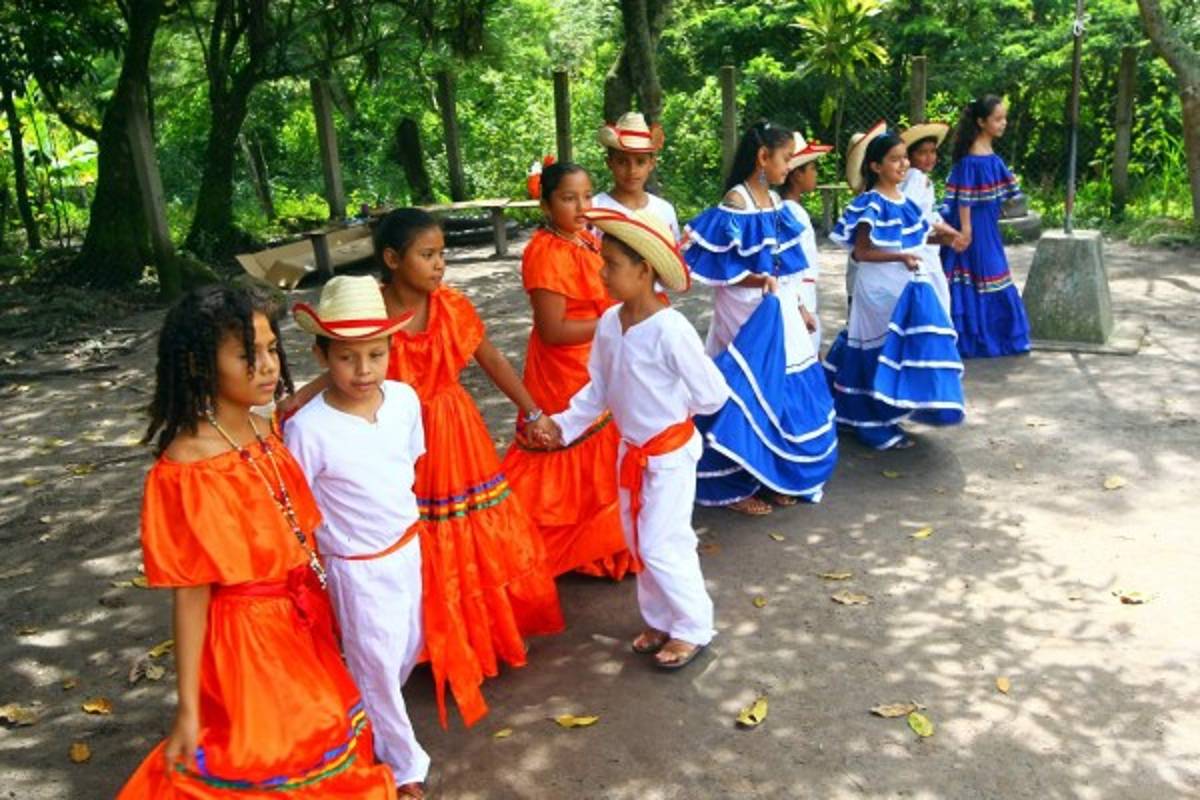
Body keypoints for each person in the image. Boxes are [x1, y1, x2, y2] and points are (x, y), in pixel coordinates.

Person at [287, 210, 564, 729]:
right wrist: (297, 400)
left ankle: (477, 638)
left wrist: (532, 410)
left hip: (454, 436)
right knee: (410, 539)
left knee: (470, 540)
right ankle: (417, 643)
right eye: (427, 255)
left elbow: (494, 360)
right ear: (392, 260)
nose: (440, 265)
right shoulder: (369, 312)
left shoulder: (453, 308)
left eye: (442, 254)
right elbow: (342, 371)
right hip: (392, 441)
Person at [117, 286, 396, 798]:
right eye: (248, 355)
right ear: (201, 366)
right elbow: (191, 592)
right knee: (273, 754)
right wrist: (188, 708)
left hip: (296, 620)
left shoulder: (261, 425)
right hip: (246, 643)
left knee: (326, 729)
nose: (267, 366)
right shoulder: (189, 467)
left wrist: (346, 361)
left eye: (272, 350)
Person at [539, 208, 729, 669]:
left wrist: (672, 418)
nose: (602, 273)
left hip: (667, 455)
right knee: (640, 539)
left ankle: (693, 625)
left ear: (644, 271)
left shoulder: (671, 329)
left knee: (665, 543)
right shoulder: (608, 323)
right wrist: (561, 424)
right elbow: (599, 389)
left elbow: (711, 394)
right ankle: (661, 617)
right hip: (632, 454)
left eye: (612, 265)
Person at [284, 276, 429, 798]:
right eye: (348, 358)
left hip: (408, 550)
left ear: (392, 349)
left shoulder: (406, 401)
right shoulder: (308, 428)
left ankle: (364, 720)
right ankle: (404, 764)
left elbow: (409, 462)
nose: (363, 370)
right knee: (375, 669)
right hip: (355, 566)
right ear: (322, 354)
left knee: (405, 650)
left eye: (375, 354)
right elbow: (298, 510)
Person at [683, 121, 838, 516]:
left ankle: (771, 476)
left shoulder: (772, 202)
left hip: (775, 304)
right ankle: (731, 487)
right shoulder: (736, 202)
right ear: (763, 157)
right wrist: (762, 279)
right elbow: (722, 268)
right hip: (745, 308)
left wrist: (799, 304)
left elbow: (784, 265)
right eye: (785, 158)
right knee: (747, 390)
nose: (789, 166)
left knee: (780, 388)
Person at [501, 163, 633, 578]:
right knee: (564, 449)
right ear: (545, 203)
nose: (581, 206)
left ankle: (601, 547)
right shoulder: (545, 252)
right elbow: (554, 330)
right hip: (563, 371)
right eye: (568, 197)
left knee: (603, 456)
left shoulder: (586, 241)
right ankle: (556, 550)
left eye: (587, 196)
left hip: (594, 363)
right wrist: (618, 319)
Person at [823, 123, 966, 450]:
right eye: (894, 159)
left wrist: (941, 236)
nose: (903, 165)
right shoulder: (870, 203)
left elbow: (910, 235)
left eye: (904, 158)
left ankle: (875, 414)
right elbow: (862, 251)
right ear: (875, 166)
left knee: (892, 347)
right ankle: (871, 423)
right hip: (876, 288)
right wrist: (902, 256)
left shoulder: (904, 200)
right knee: (875, 348)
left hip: (900, 284)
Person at [940, 95, 1031, 357]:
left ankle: (993, 336)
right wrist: (966, 230)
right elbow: (964, 200)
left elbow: (1005, 193)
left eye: (1004, 118)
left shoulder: (991, 157)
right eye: (997, 119)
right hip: (975, 229)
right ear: (981, 122)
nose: (1003, 124)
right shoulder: (970, 160)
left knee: (994, 275)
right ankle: (980, 339)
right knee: (984, 274)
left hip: (988, 227)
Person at [899, 122, 965, 315]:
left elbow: (929, 214)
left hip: (924, 248)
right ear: (910, 156)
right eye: (922, 152)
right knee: (938, 303)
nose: (930, 158)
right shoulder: (917, 178)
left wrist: (949, 230)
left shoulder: (913, 178)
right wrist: (948, 232)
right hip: (922, 250)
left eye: (933, 151)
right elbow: (912, 214)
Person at [779, 130, 834, 354]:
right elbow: (789, 266)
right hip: (800, 296)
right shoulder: (792, 213)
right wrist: (801, 307)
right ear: (796, 174)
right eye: (812, 168)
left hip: (802, 296)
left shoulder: (790, 209)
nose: (816, 174)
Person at [591, 111, 681, 240]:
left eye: (640, 162)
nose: (632, 170)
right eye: (622, 162)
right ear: (609, 163)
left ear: (651, 164)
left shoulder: (665, 210)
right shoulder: (594, 208)